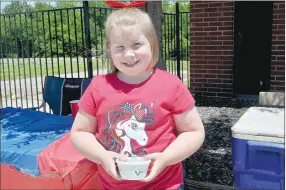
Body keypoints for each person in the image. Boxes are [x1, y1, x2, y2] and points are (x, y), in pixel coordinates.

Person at [70, 7, 205, 190]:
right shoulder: (98, 87)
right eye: (120, 47)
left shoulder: (171, 84)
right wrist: (101, 155)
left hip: (165, 185)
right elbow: (80, 133)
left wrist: (166, 158)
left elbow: (194, 132)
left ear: (152, 44)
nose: (129, 54)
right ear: (109, 49)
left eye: (136, 45)